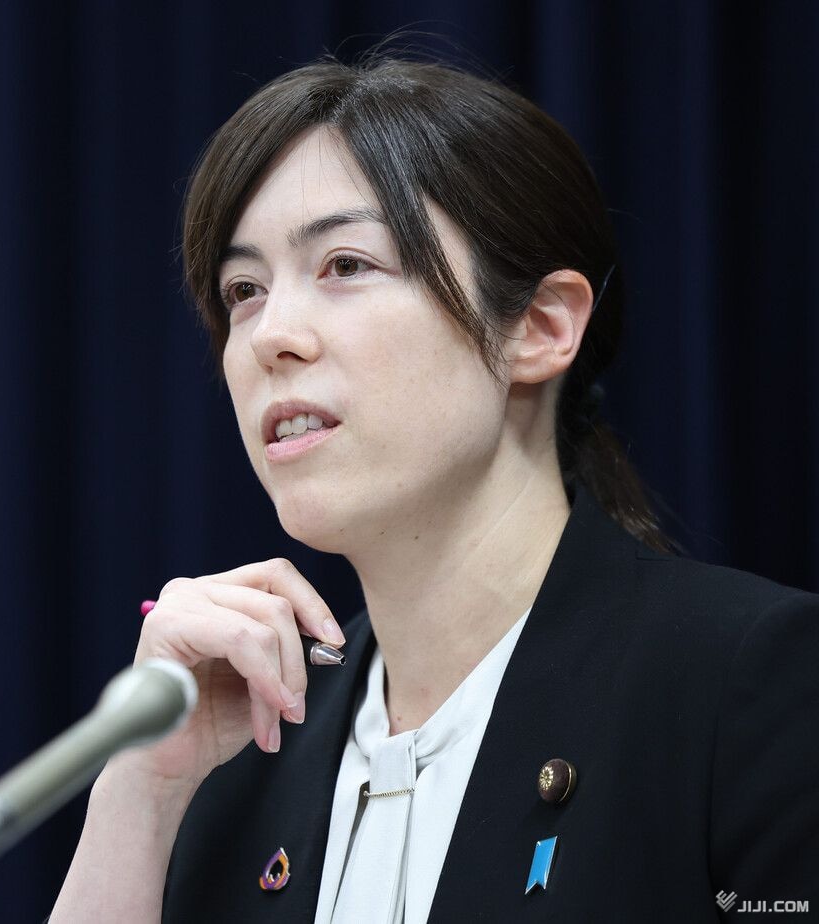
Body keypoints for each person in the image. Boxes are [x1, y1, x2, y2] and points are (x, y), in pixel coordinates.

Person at [50, 56, 819, 922]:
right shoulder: (242, 744)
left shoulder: (747, 684)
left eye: (345, 264)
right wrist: (140, 794)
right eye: (244, 290)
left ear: (540, 326)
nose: (271, 336)